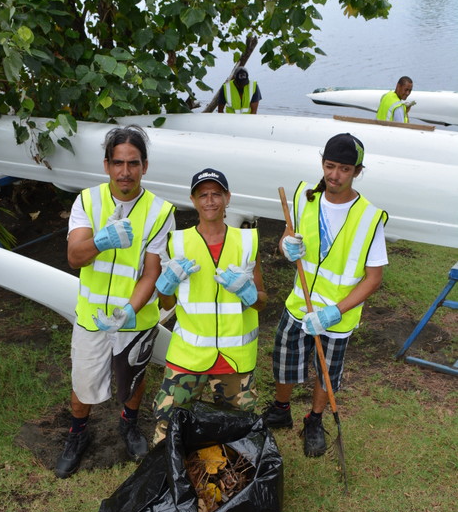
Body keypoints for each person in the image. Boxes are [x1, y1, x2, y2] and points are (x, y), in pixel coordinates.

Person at [55, 125, 175, 478]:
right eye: (118, 163)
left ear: (145, 166)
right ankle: (77, 433)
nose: (126, 172)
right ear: (107, 165)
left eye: (133, 163)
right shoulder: (88, 201)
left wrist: (128, 311)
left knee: (132, 379)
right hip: (92, 315)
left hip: (134, 316)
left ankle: (129, 424)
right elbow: (75, 257)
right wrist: (102, 241)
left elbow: (151, 272)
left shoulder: (160, 211)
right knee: (84, 379)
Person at [262, 133, 388, 457]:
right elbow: (287, 239)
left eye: (344, 169)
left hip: (336, 316)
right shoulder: (305, 197)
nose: (334, 175)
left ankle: (314, 420)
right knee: (284, 359)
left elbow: (373, 279)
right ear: (322, 163)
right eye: (329, 165)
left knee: (326, 372)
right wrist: (286, 247)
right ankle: (280, 409)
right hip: (298, 305)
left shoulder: (370, 218)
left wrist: (334, 312)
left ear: (357, 171)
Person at [151, 168, 268, 444]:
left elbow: (262, 301)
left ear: (228, 198)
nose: (210, 200)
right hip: (188, 356)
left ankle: (229, 480)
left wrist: (249, 293)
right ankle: (166, 477)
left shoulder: (247, 242)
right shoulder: (177, 242)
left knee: (237, 432)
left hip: (233, 357)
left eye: (217, 194)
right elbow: (166, 302)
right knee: (167, 425)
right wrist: (165, 286)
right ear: (193, 200)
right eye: (203, 195)